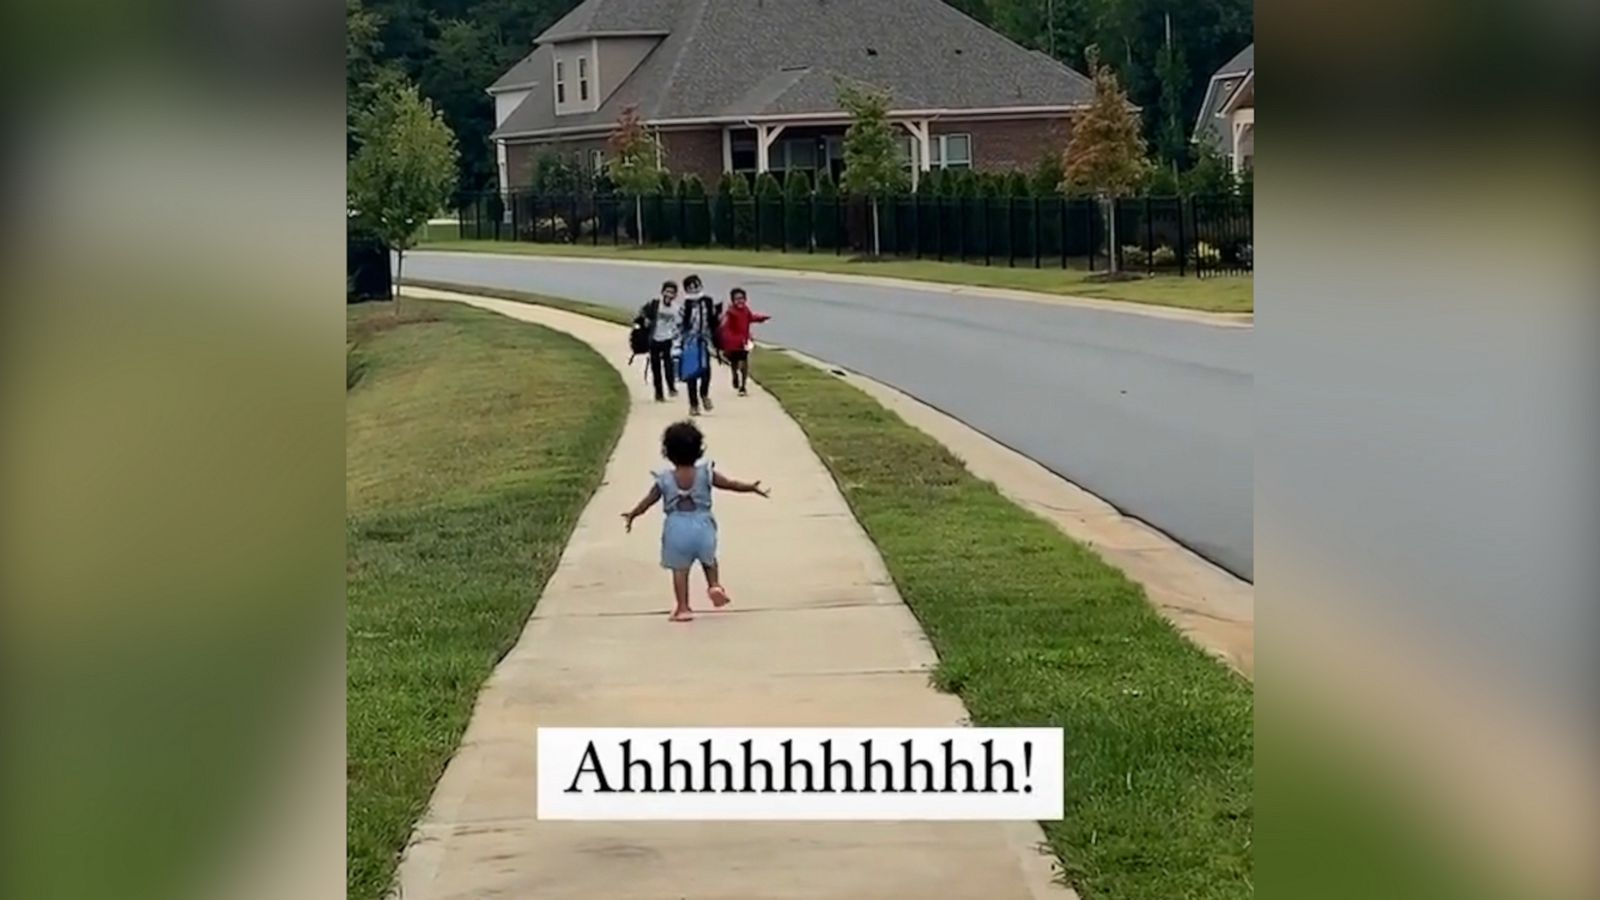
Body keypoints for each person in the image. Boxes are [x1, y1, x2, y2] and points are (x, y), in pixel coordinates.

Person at [621, 420, 770, 622]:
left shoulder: (664, 479)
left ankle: (683, 608)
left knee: (680, 570)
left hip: (676, 528)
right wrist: (751, 487)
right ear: (699, 449)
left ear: (667, 452)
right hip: (703, 525)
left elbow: (648, 501)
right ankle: (714, 585)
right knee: (709, 559)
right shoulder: (706, 473)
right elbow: (730, 484)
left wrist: (633, 514)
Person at [717, 287, 771, 396]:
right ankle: (734, 376)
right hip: (732, 343)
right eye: (737, 299)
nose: (740, 301)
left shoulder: (746, 310)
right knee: (734, 363)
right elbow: (723, 323)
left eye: (742, 298)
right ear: (733, 300)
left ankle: (743, 386)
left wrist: (761, 318)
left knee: (744, 363)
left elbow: (750, 318)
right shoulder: (730, 312)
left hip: (744, 341)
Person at [678, 274, 719, 414]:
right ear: (686, 290)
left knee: (706, 371)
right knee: (691, 374)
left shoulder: (708, 301)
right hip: (690, 342)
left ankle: (704, 394)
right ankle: (693, 404)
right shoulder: (685, 305)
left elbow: (713, 320)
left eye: (696, 285)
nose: (694, 289)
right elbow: (680, 324)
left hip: (705, 341)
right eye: (690, 287)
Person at [634, 281, 680, 402]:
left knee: (669, 365)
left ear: (675, 295)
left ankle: (671, 387)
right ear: (662, 292)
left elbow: (679, 324)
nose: (669, 294)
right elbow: (642, 312)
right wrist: (645, 320)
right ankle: (658, 393)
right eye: (667, 291)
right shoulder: (655, 304)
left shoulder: (676, 308)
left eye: (672, 292)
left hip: (667, 339)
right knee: (656, 368)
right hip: (654, 339)